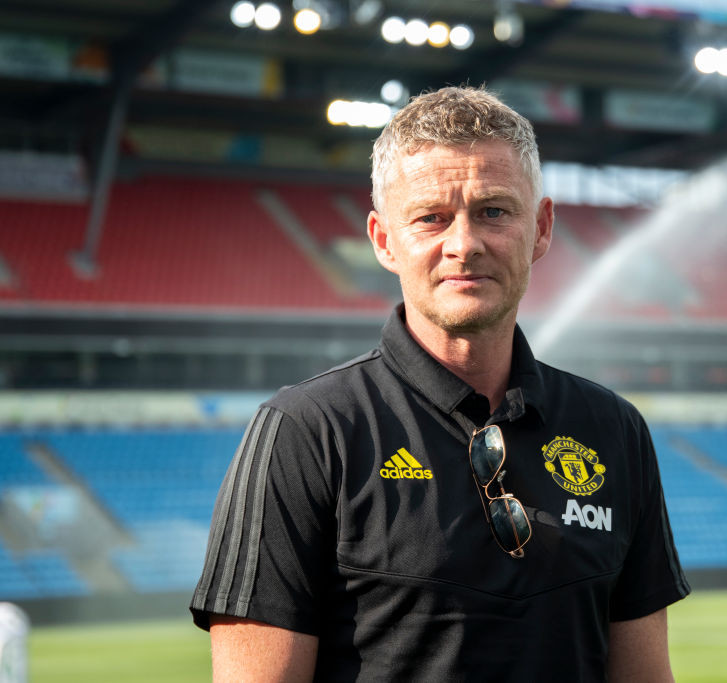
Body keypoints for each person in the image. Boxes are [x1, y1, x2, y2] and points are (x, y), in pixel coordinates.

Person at [191, 86, 690, 681]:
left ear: (541, 228)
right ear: (383, 240)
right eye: (432, 217)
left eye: (494, 211)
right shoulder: (304, 432)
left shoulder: (614, 429)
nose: (464, 244)